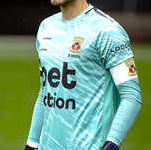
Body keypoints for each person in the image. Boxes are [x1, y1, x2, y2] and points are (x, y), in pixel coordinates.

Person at [24, 0, 142, 149]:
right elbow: (46, 92)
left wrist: (112, 144)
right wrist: (32, 142)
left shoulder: (107, 30)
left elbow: (131, 95)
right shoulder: (46, 27)